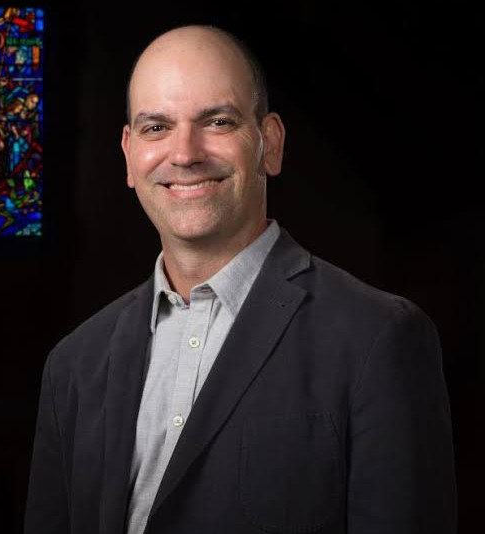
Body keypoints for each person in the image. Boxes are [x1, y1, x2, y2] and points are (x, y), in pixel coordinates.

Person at [23, 24, 457, 534]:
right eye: (156, 127)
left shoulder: (379, 338)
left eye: (218, 121)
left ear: (268, 144)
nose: (184, 153)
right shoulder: (73, 364)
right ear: (128, 155)